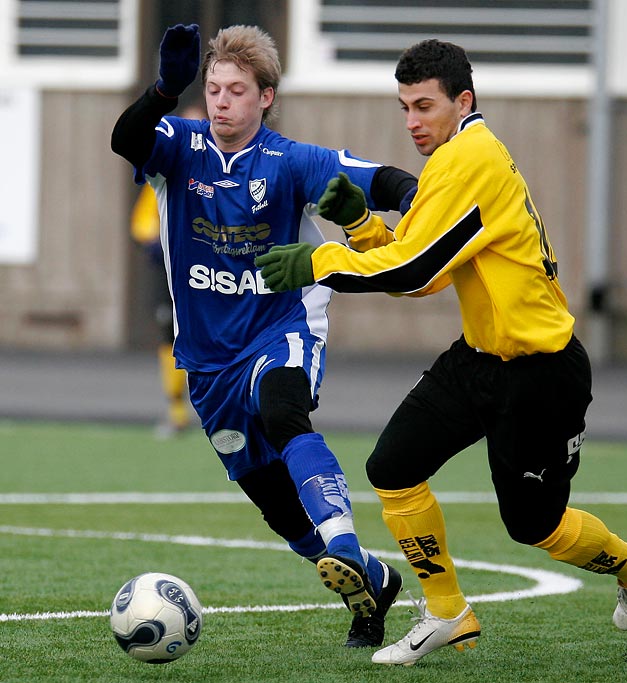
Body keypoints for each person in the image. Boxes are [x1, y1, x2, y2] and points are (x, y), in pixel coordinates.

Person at [255, 38, 627, 665]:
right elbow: (427, 268)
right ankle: (448, 612)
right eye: (404, 107)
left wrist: (317, 260)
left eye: (424, 106)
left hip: (542, 373)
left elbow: (413, 268)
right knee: (393, 468)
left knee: (535, 526)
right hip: (479, 359)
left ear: (464, 101)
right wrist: (363, 226)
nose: (412, 122)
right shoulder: (455, 157)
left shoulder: (471, 158)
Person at [111, 23, 418, 648]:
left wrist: (425, 197)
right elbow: (125, 138)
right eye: (215, 88)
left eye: (237, 90)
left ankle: (348, 546)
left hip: (282, 328)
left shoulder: (291, 161)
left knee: (285, 415)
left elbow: (382, 179)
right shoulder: (178, 145)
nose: (222, 100)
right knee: (272, 499)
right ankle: (373, 585)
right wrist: (164, 90)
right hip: (207, 360)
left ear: (265, 97)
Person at [130, 102, 206, 438]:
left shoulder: (220, 174)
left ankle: (226, 412)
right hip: (171, 269)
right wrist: (157, 242)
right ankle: (176, 411)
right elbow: (142, 224)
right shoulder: (163, 175)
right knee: (169, 333)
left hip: (212, 268)